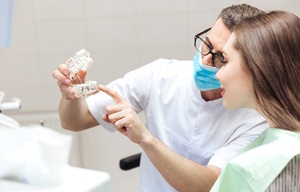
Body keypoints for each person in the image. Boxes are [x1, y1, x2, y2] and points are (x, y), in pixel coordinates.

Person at [52, 4, 268, 192]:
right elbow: (75, 121)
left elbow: (209, 186)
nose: (205, 60)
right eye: (207, 44)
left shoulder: (254, 116)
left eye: (221, 57)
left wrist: (145, 139)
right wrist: (70, 97)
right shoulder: (161, 75)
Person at [210, 10, 300, 191]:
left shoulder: (257, 169)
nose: (218, 74)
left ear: (257, 66)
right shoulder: (276, 139)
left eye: (224, 61)